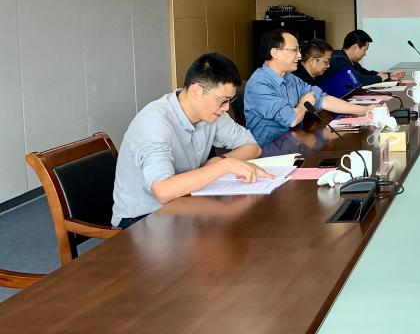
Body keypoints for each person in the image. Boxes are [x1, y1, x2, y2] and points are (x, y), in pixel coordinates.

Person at [111, 53, 270, 228]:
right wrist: (224, 166)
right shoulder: (154, 123)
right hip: (142, 219)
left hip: (185, 204)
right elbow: (163, 191)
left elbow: (252, 146)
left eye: (230, 101)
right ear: (196, 91)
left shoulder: (212, 113)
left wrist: (221, 160)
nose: (226, 108)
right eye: (223, 100)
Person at [245, 30, 378, 147]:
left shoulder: (290, 77)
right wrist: (303, 104)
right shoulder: (259, 84)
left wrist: (366, 110)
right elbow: (291, 119)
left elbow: (323, 99)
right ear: (275, 52)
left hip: (295, 141)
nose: (299, 56)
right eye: (294, 50)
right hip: (270, 152)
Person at [323, 29, 405, 87]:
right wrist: (380, 78)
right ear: (355, 47)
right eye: (364, 50)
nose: (365, 54)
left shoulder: (350, 60)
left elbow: (364, 73)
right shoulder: (338, 60)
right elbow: (359, 80)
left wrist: (389, 75)